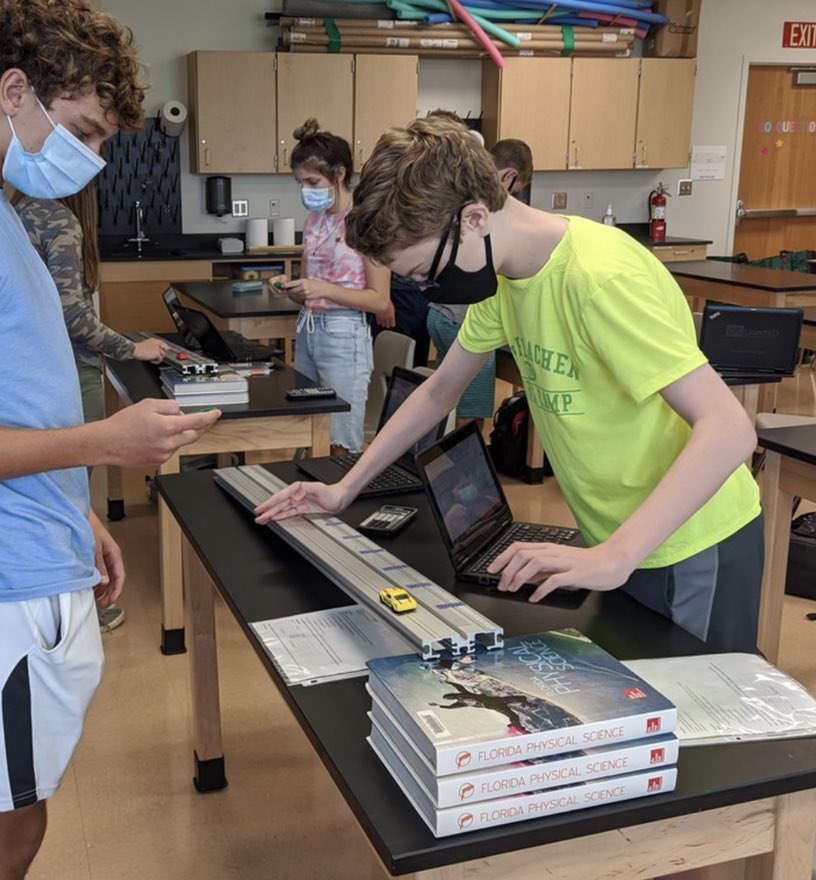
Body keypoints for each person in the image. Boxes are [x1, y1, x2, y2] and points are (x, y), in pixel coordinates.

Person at [0, 2, 220, 877]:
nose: (93, 158)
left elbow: (6, 400)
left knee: (14, 796)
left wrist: (70, 513)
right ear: (14, 90)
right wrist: (101, 444)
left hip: (28, 544)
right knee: (7, 813)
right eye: (85, 131)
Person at [256, 115, 762, 655]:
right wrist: (345, 488)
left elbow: (729, 429)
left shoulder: (600, 279)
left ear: (474, 217)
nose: (426, 289)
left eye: (426, 270)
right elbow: (438, 390)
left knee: (700, 719)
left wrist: (616, 554)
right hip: (620, 537)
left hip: (691, 540)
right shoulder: (507, 277)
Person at [13, 181, 168, 633]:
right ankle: (85, 605)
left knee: (50, 486)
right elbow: (75, 318)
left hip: (29, 368)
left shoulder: (17, 213)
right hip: (64, 369)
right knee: (73, 492)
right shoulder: (58, 221)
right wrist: (131, 349)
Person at [267, 118, 390, 454]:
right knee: (309, 426)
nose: (305, 190)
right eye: (300, 183)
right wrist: (291, 288)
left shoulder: (365, 222)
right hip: (309, 330)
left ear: (339, 174)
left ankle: (340, 499)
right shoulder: (314, 221)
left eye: (312, 181)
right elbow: (310, 285)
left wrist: (321, 289)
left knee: (340, 437)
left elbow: (379, 301)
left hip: (344, 336)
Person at [426, 136, 535, 429]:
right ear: (510, 176)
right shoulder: (486, 207)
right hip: (463, 319)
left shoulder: (462, 193)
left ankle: (443, 462)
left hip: (439, 314)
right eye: (517, 190)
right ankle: (463, 469)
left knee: (445, 397)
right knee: (470, 413)